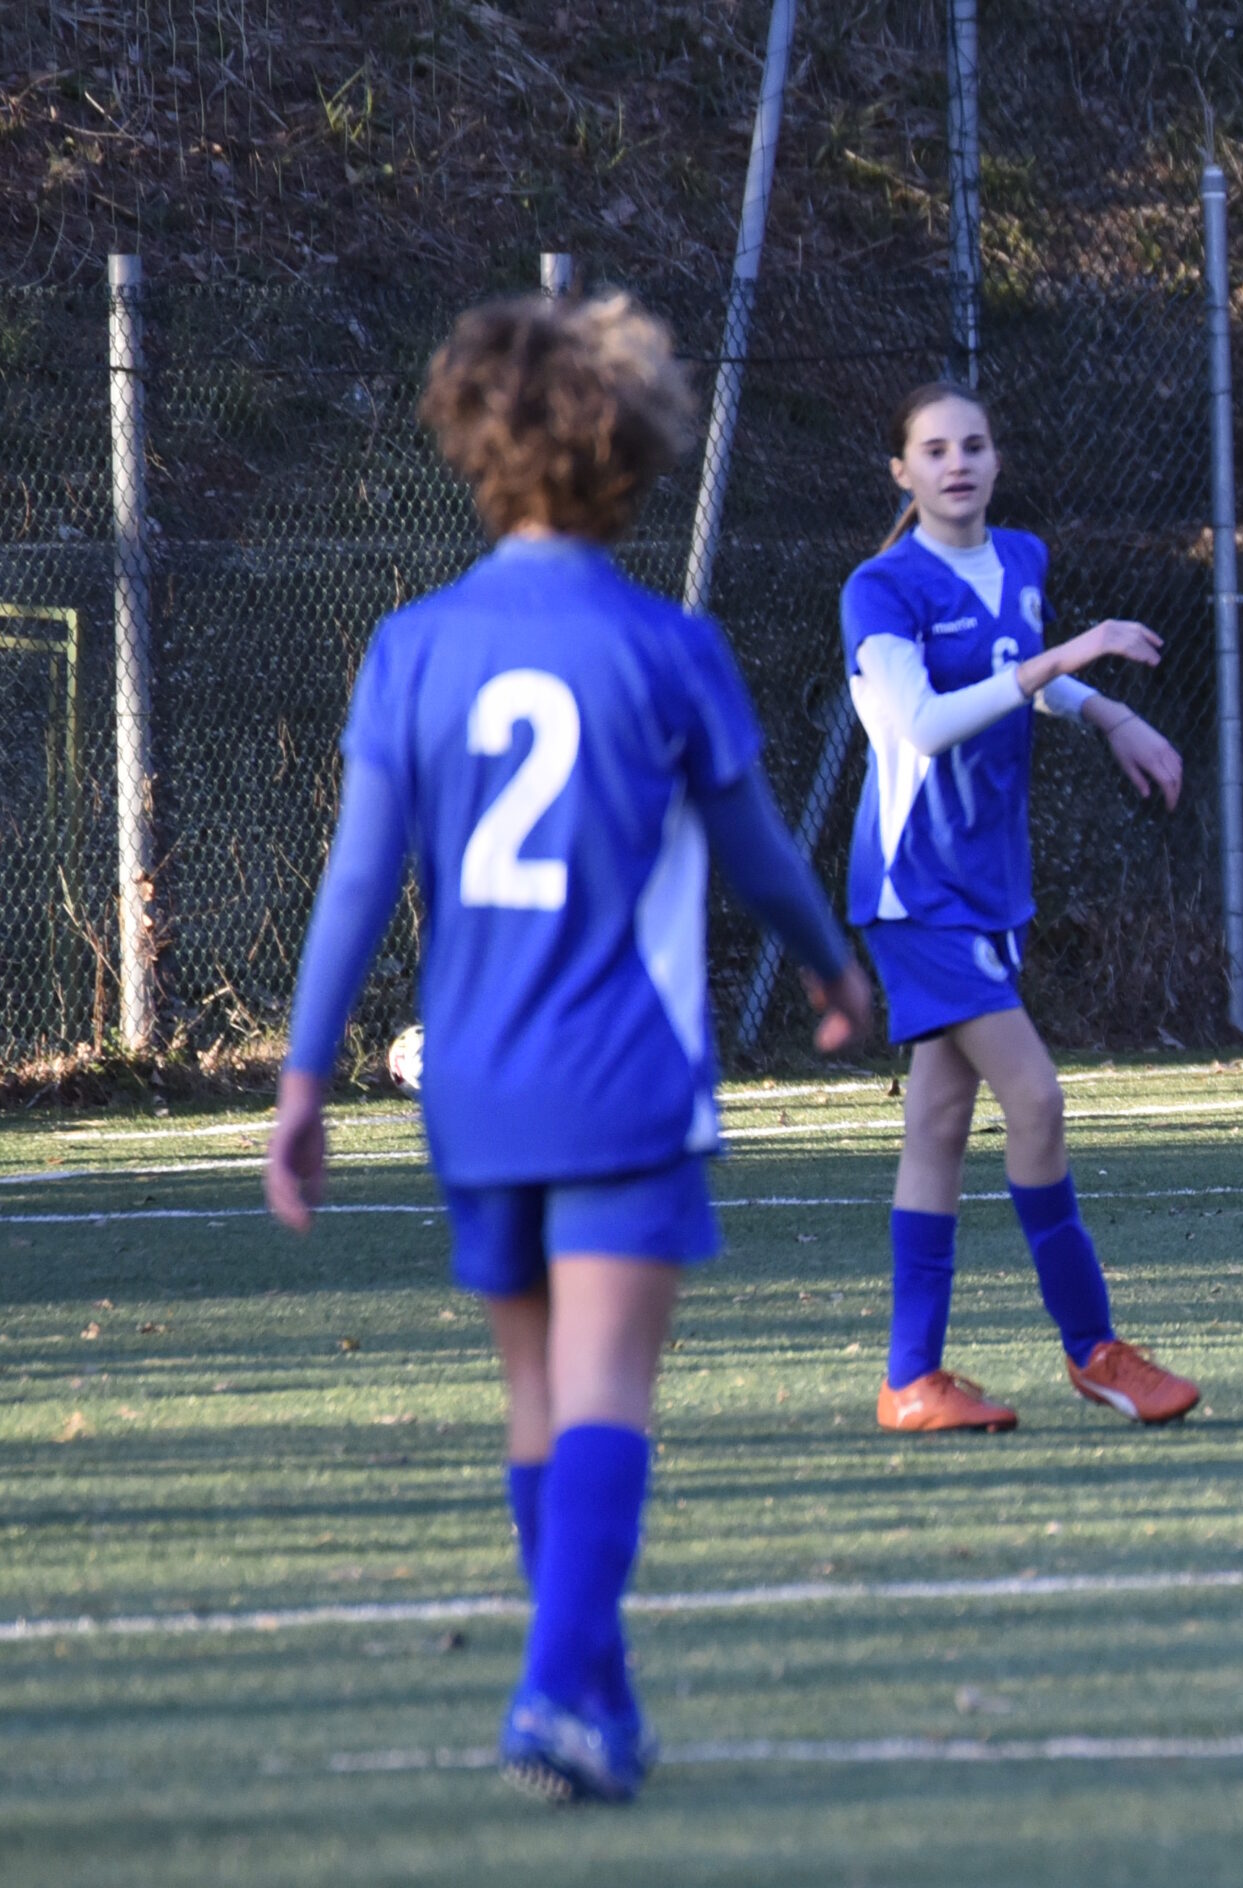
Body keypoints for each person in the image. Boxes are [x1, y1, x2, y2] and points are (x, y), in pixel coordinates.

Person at [265, 291, 874, 1805]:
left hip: (473, 1081)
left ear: (476, 446)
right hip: (624, 1071)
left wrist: (300, 1076)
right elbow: (759, 863)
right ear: (633, 455)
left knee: (537, 1397)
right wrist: (833, 972)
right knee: (605, 1392)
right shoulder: (667, 647)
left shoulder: (414, 645)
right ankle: (550, 1691)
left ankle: (594, 1699)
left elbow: (358, 878)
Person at [844, 380, 1200, 1434]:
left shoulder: (1023, 562)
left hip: (990, 883)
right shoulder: (881, 587)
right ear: (901, 473)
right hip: (917, 889)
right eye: (934, 449)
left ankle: (912, 1378)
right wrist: (1069, 657)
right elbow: (920, 723)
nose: (958, 462)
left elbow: (1022, 678)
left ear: (996, 460)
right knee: (1035, 1099)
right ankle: (1094, 1349)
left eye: (976, 444)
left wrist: (1106, 713)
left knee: (938, 1126)